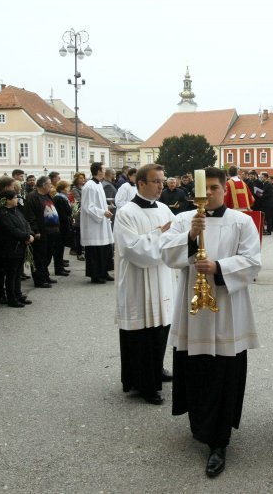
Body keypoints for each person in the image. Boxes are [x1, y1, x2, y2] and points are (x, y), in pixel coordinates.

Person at [160, 167, 261, 478]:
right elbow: (165, 253)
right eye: (208, 189)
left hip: (227, 308)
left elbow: (253, 262)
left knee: (224, 371)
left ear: (224, 190)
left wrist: (219, 266)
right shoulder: (183, 219)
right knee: (197, 369)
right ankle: (200, 425)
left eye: (217, 188)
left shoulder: (242, 221)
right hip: (193, 311)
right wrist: (191, 236)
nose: (212, 194)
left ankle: (220, 440)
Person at [113, 164, 177, 403]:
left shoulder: (164, 208)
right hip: (137, 281)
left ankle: (156, 369)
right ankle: (144, 384)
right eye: (156, 181)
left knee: (161, 329)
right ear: (141, 183)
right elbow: (132, 249)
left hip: (162, 277)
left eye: (162, 180)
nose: (161, 185)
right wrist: (161, 233)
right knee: (142, 335)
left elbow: (176, 238)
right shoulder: (126, 212)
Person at [0, 190, 34, 308]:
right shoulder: (2, 213)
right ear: (7, 200)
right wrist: (26, 236)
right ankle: (12, 298)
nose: (17, 200)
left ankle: (18, 294)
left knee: (17, 273)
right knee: (11, 274)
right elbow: (10, 230)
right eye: (15, 198)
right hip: (9, 248)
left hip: (20, 246)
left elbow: (25, 223)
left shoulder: (16, 210)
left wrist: (30, 234)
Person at [24, 176, 61, 288]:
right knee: (39, 257)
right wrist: (35, 230)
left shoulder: (47, 195)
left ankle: (45, 275)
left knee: (47, 255)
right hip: (41, 232)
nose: (51, 185)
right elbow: (30, 216)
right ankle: (39, 279)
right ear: (44, 185)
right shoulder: (32, 197)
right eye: (49, 183)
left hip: (52, 231)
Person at [80, 163, 115, 284]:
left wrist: (106, 208)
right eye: (104, 169)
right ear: (99, 171)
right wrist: (102, 212)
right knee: (95, 251)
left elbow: (99, 202)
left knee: (104, 249)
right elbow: (88, 207)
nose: (105, 171)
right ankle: (96, 275)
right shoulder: (89, 186)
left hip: (101, 223)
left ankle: (104, 272)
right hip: (93, 225)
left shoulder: (98, 183)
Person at [52, 180, 73, 276]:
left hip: (63, 225)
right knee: (58, 248)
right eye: (67, 187)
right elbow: (66, 211)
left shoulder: (62, 197)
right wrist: (71, 208)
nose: (69, 189)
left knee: (61, 248)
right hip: (61, 226)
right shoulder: (59, 198)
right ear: (63, 188)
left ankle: (60, 266)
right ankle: (58, 268)